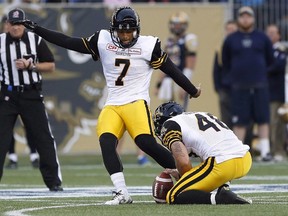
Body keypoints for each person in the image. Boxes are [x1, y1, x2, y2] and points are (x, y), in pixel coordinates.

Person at [18, 6, 201, 204]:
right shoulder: (103, 39)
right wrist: (38, 29)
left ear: (137, 29)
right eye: (121, 31)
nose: (125, 35)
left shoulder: (149, 45)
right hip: (113, 103)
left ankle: (191, 179)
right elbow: (69, 42)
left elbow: (171, 69)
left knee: (146, 143)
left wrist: (192, 90)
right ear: (114, 29)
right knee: (106, 143)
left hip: (135, 101)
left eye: (129, 31)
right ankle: (122, 192)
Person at [0, 8, 63, 191]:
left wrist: (31, 65)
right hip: (7, 96)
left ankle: (54, 182)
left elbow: (50, 65)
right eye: (13, 23)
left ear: (24, 24)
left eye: (19, 24)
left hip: (31, 94)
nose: (16, 27)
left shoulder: (35, 40)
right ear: (8, 24)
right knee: (1, 139)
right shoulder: (1, 42)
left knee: (43, 138)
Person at [153, 101, 252, 205]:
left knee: (173, 196)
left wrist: (184, 179)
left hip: (223, 164)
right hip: (245, 160)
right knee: (210, 162)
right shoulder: (202, 115)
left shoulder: (169, 125)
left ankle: (220, 198)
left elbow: (184, 161)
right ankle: (224, 187)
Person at [222, 6, 274, 161]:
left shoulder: (262, 37)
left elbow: (270, 59)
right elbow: (226, 62)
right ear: (238, 18)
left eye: (248, 16)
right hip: (239, 86)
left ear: (253, 18)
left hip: (260, 84)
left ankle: (265, 152)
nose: (245, 19)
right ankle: (239, 153)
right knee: (240, 121)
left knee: (263, 118)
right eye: (242, 16)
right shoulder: (231, 39)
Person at [155, 11, 197, 110]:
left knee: (181, 110)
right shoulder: (168, 40)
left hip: (180, 78)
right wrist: (158, 84)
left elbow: (190, 64)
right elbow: (162, 63)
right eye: (174, 24)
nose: (176, 27)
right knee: (165, 111)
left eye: (179, 24)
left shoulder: (189, 39)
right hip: (167, 79)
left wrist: (185, 85)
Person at [266, 24, 288, 161]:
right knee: (267, 123)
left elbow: (278, 65)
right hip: (264, 91)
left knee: (276, 123)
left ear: (279, 35)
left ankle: (278, 150)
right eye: (268, 32)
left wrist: (262, 70)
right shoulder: (264, 49)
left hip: (276, 91)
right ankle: (269, 150)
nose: (270, 35)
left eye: (273, 33)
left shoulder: (281, 49)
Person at [213, 20, 238, 129]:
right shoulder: (220, 48)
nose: (230, 32)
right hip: (225, 88)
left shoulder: (241, 47)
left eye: (233, 30)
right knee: (226, 119)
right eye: (228, 30)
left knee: (242, 119)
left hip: (240, 88)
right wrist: (218, 88)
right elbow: (216, 69)